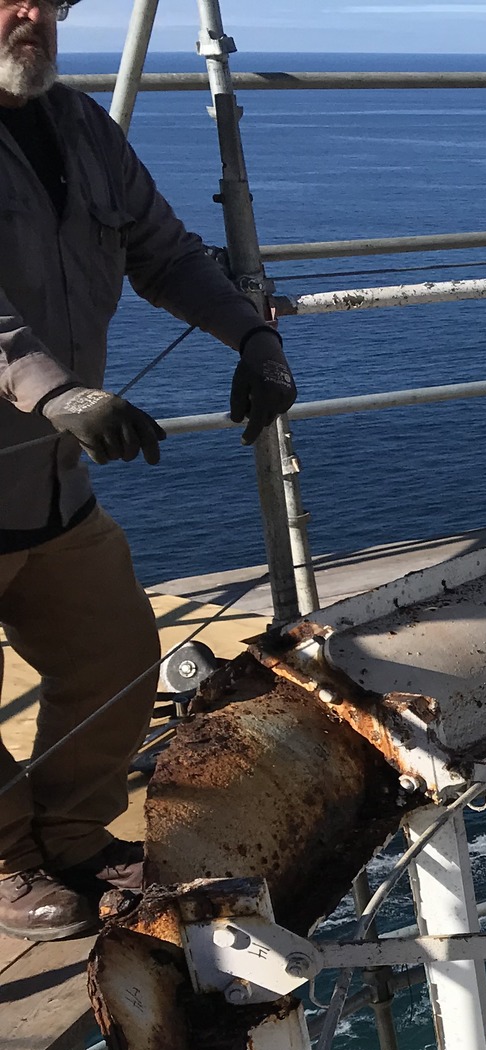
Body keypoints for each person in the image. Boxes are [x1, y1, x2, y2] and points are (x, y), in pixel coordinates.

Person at [0, 0, 296, 939]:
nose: (31, 14)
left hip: (48, 485)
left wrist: (253, 339)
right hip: (43, 435)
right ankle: (6, 864)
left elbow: (163, 253)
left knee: (118, 658)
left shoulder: (81, 126)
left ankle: (73, 837)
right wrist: (57, 393)